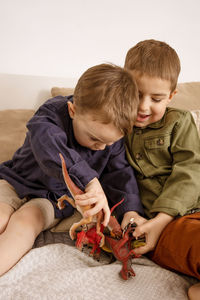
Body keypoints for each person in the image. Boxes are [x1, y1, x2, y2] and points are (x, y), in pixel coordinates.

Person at [0, 63, 143, 277]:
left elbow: (120, 176)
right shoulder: (51, 113)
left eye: (108, 143)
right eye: (95, 138)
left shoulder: (109, 144)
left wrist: (131, 212)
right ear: (72, 110)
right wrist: (90, 181)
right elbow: (48, 145)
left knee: (25, 223)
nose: (101, 147)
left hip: (54, 199)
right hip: (16, 182)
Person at [124, 39, 200, 300]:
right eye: (135, 94)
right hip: (165, 226)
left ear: (171, 96)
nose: (143, 107)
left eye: (156, 99)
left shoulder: (179, 121)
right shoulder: (112, 125)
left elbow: (190, 170)